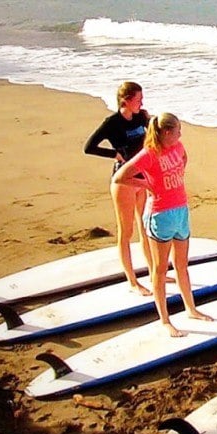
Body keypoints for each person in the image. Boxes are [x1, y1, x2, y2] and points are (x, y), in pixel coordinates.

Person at [112, 112, 212, 337]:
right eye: (177, 130)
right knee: (159, 269)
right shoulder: (149, 154)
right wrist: (146, 183)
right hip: (159, 214)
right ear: (166, 132)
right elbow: (120, 176)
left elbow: (184, 158)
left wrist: (176, 176)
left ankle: (191, 308)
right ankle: (165, 320)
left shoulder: (177, 147)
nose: (180, 133)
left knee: (182, 265)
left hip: (180, 211)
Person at [84, 81, 153, 295]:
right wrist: (114, 154)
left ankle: (153, 272)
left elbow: (151, 138)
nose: (141, 102)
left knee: (145, 227)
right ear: (126, 101)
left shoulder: (141, 117)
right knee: (127, 231)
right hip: (123, 180)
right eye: (138, 99)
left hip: (142, 177)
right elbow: (89, 147)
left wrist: (149, 119)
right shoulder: (112, 123)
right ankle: (132, 281)